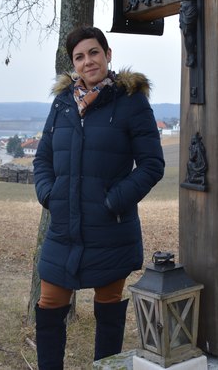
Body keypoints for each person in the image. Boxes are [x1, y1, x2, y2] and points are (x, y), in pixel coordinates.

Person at [32, 26, 165, 369]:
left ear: (108, 54)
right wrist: (49, 194)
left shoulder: (131, 101)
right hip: (64, 227)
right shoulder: (62, 103)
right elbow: (42, 158)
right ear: (73, 64)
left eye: (94, 52)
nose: (87, 61)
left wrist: (113, 201)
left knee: (108, 308)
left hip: (111, 228)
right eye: (79, 56)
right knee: (49, 305)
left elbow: (151, 165)